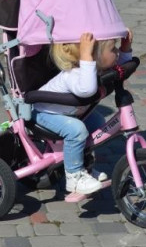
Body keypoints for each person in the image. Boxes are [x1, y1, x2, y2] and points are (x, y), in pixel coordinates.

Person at [33, 30, 132, 194]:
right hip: (44, 114)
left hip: (69, 113)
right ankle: (74, 176)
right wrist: (86, 55)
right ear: (94, 55)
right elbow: (87, 90)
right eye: (113, 49)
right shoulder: (74, 74)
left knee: (98, 123)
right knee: (77, 130)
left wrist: (125, 48)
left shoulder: (95, 68)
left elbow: (120, 68)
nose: (116, 53)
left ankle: (86, 166)